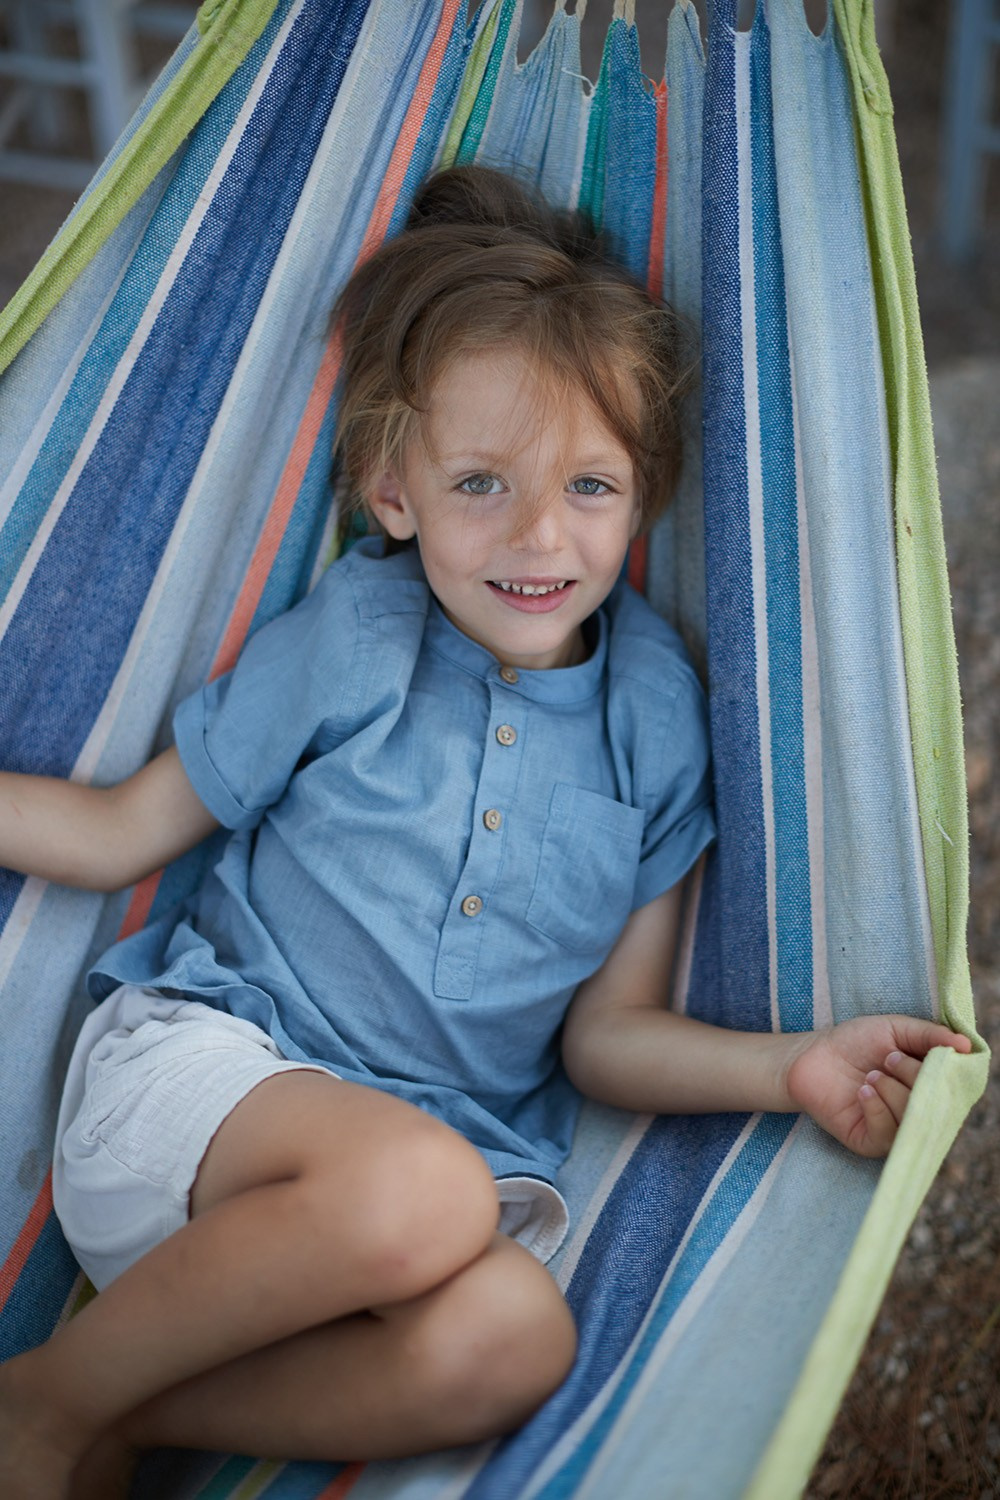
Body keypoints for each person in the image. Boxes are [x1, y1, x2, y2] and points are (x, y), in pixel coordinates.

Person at [0, 166, 970, 1499]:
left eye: (588, 484)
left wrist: (792, 1067)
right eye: (479, 483)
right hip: (200, 1101)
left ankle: (129, 1409)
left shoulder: (658, 720)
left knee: (516, 1338)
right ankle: (44, 1407)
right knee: (432, 1197)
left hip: (396, 1219)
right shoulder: (360, 633)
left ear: (646, 498)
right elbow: (122, 834)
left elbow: (605, 1035)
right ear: (394, 492)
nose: (538, 534)